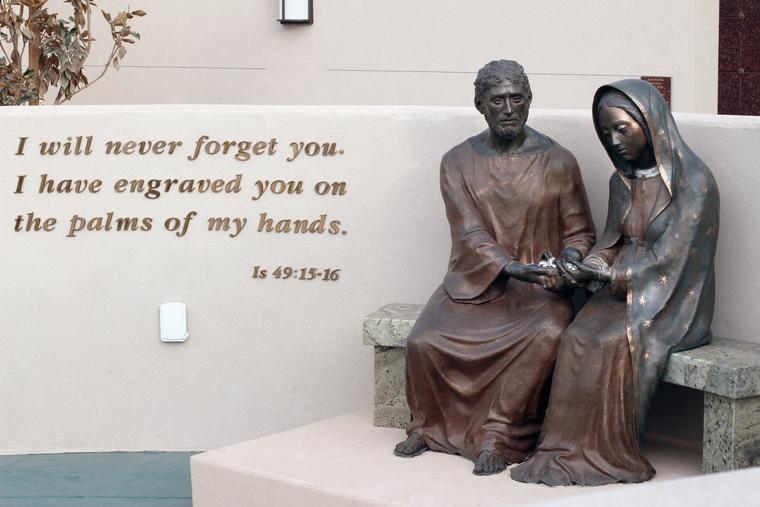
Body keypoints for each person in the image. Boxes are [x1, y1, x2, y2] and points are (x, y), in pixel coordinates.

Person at [510, 79, 720, 486]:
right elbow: (610, 242)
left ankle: (611, 452)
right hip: (620, 289)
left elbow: (674, 261)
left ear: (651, 123)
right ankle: (562, 450)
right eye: (606, 132)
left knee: (610, 342)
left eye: (622, 128)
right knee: (576, 336)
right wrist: (583, 265)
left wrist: (605, 274)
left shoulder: (694, 182)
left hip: (671, 298)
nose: (614, 140)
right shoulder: (620, 182)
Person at [393, 60, 596, 475]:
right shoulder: (456, 161)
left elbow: (580, 232)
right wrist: (510, 268)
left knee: (548, 333)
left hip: (539, 293)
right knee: (424, 340)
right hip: (476, 283)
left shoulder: (558, 161)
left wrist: (568, 263)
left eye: (516, 99)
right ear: (480, 105)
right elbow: (468, 233)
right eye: (497, 100)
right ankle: (429, 427)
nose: (508, 108)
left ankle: (500, 435)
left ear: (529, 102)